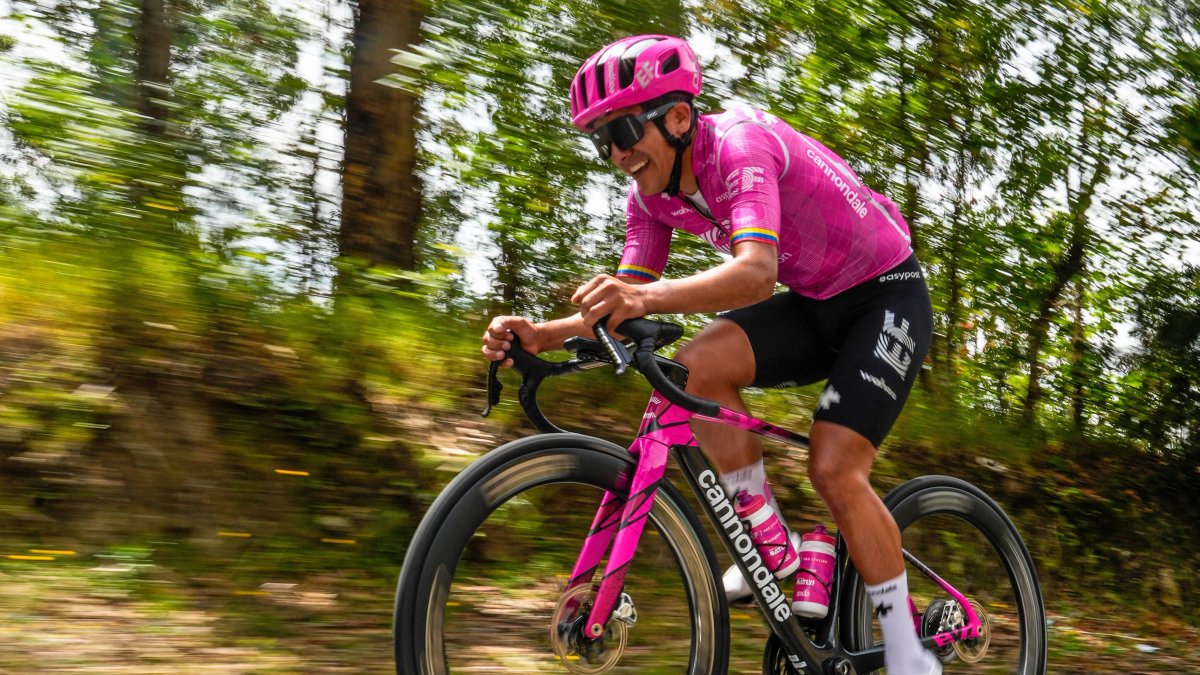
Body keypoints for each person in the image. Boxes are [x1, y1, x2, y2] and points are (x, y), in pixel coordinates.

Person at [481, 35, 938, 675]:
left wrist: (640, 300)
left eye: (621, 130)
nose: (615, 153)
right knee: (693, 368)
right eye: (601, 140)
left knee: (834, 468)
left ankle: (907, 649)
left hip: (885, 295)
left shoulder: (739, 144)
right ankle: (774, 547)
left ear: (677, 116)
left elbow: (755, 273)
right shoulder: (649, 197)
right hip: (814, 301)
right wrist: (544, 334)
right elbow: (626, 300)